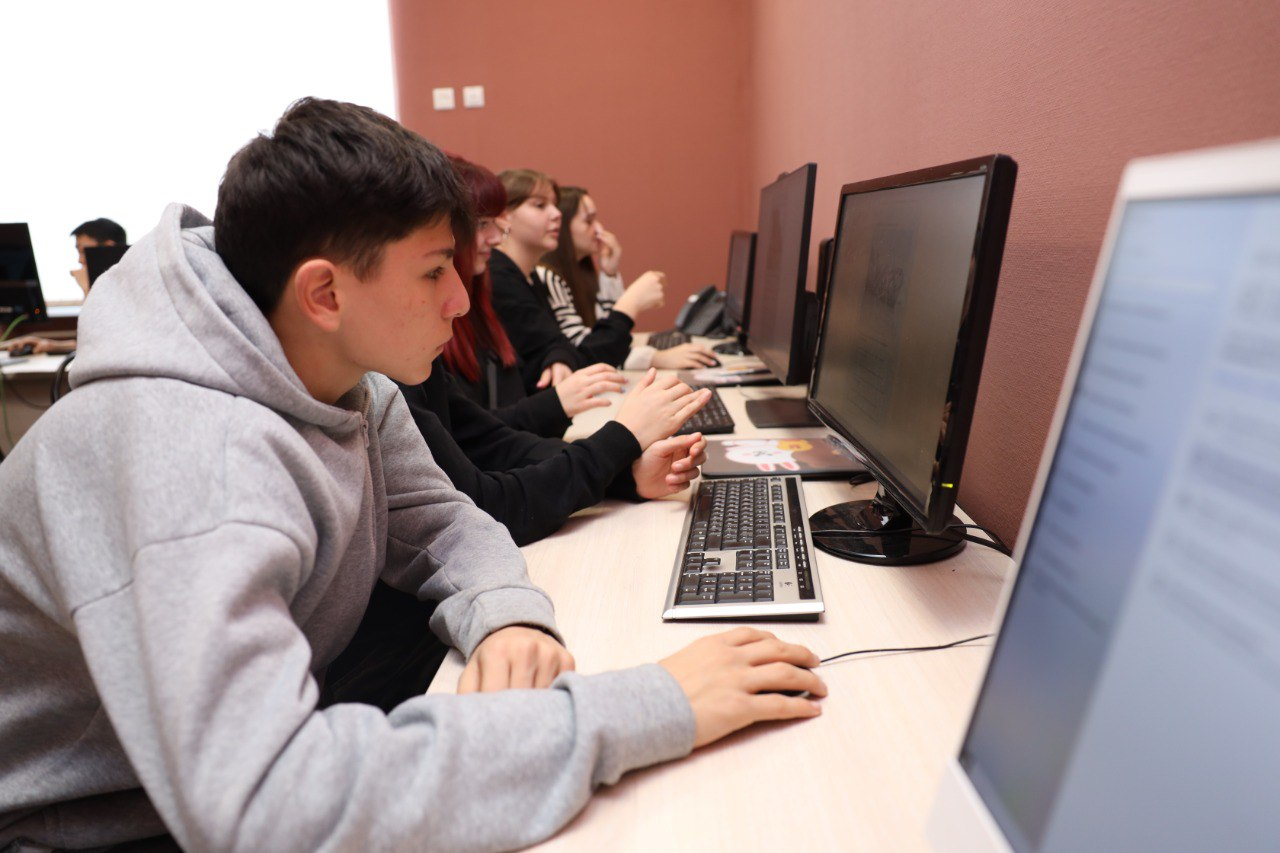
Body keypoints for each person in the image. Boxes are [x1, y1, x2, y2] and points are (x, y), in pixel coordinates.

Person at [0, 98, 826, 851]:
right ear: (324, 293)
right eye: (435, 271)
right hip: (99, 826)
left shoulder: (350, 384)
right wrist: (646, 707)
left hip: (204, 780)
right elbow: (270, 806)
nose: (461, 301)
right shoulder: (190, 457)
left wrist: (505, 617)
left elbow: (444, 520)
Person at [441, 156, 624, 436]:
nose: (557, 214)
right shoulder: (500, 279)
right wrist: (628, 309)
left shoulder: (515, 280)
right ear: (507, 216)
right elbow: (475, 434)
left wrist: (558, 356)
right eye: (540, 205)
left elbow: (558, 343)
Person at [541, 186, 718, 370]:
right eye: (589, 221)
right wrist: (633, 301)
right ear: (561, 226)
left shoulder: (579, 272)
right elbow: (589, 350)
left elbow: (605, 336)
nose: (599, 229)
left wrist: (609, 274)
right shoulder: (547, 277)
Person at [0, 218, 127, 356]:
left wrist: (88, 291)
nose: (80, 260)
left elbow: (99, 343)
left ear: (108, 248)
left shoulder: (129, 288)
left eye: (83, 251)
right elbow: (88, 344)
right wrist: (48, 344)